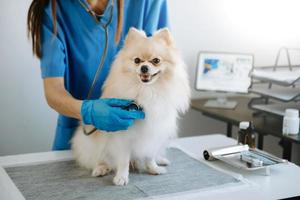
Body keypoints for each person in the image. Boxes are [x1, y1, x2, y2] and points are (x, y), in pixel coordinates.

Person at [27, 0, 169, 150]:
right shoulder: (51, 11)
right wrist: (89, 111)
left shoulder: (149, 3)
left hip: (136, 138)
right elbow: (53, 90)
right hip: (80, 135)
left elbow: (165, 67)